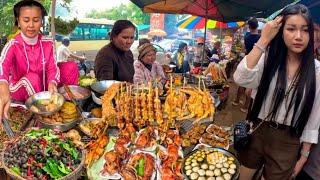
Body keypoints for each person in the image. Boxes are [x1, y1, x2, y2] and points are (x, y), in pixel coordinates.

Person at [234, 4, 320, 179]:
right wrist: (263, 40)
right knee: (243, 176)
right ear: (280, 31)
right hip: (258, 130)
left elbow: (314, 117)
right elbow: (241, 78)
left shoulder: (316, 71)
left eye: (304, 30)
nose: (298, 36)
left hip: (288, 141)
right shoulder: (268, 60)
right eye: (291, 29)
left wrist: (303, 156)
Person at [0, 0, 59, 120]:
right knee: (31, 78)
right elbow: (2, 65)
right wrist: (2, 85)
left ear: (41, 22)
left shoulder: (48, 42)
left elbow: (53, 67)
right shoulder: (13, 44)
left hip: (42, 86)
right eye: (26, 20)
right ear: (18, 21)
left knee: (70, 67)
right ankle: (42, 116)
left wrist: (52, 81)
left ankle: (62, 106)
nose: (31, 25)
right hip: (19, 87)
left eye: (36, 20)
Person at [233, 17, 260, 113]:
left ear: (249, 27)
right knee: (250, 85)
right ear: (257, 26)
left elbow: (244, 49)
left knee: (241, 82)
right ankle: (245, 107)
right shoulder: (260, 38)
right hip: (256, 61)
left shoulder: (247, 36)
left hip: (246, 59)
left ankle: (236, 100)